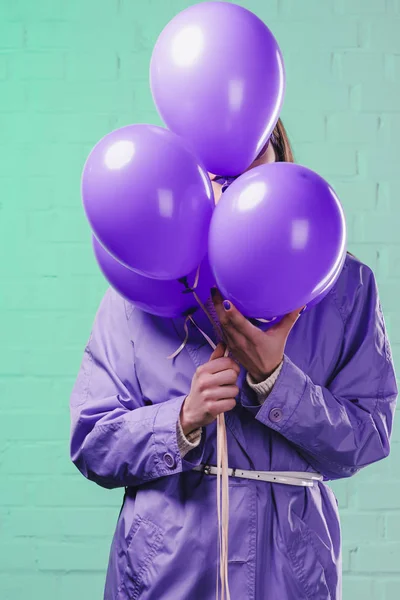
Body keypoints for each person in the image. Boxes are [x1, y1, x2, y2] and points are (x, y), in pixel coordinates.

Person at [69, 118, 397, 600]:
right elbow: (93, 442)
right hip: (167, 568)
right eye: (213, 165)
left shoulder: (344, 286)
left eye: (250, 152)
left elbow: (368, 438)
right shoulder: (140, 279)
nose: (233, 178)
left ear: (280, 152)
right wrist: (181, 418)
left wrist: (276, 382)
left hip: (289, 571)